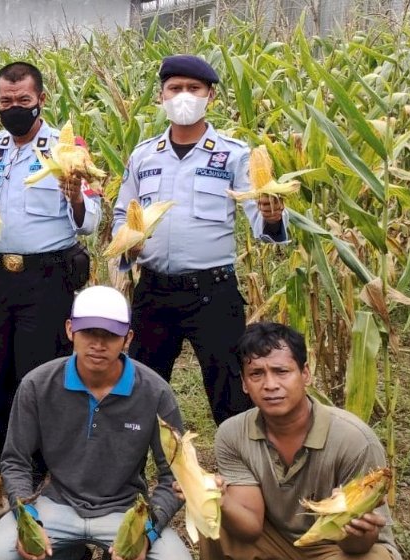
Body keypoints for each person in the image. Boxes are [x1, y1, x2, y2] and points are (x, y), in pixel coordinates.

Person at [0, 286, 203, 560]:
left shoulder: (154, 392)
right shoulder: (38, 384)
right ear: (70, 330)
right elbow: (15, 462)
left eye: (110, 336)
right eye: (88, 333)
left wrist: (146, 534)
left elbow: (174, 477)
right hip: (58, 503)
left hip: (123, 508)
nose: (98, 345)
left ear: (127, 338)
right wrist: (27, 519)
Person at [189, 322, 400, 560]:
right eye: (256, 374)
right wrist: (214, 495)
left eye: (281, 371)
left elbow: (362, 544)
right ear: (244, 383)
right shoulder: (232, 434)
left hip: (341, 552)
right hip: (281, 543)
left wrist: (356, 532)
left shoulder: (353, 440)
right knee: (210, 507)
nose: (270, 384)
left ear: (305, 373)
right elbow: (250, 525)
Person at [111, 54, 288, 427]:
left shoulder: (234, 155)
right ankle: (129, 476)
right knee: (139, 389)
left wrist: (272, 217)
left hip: (212, 292)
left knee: (231, 393)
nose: (184, 96)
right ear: (161, 97)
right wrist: (127, 244)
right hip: (153, 290)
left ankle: (240, 475)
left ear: (211, 97)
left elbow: (261, 220)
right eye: (175, 89)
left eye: (194, 89)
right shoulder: (144, 157)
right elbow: (120, 215)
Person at [0, 61, 102, 468]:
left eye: (23, 100)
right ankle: (0, 451)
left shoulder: (69, 151)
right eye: (6, 100)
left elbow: (92, 219)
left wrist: (73, 196)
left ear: (41, 100)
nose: (14, 107)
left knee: (37, 369)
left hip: (47, 277)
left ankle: (38, 459)